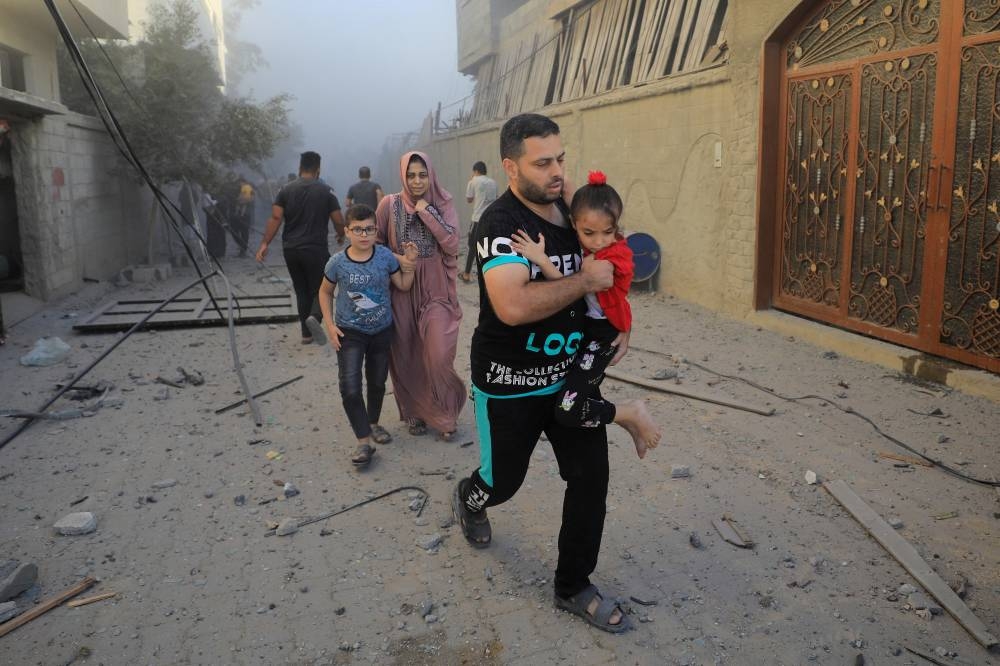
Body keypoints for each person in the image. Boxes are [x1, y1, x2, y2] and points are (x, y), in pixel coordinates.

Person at [451, 113, 660, 635]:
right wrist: (582, 279)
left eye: (560, 159)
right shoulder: (499, 225)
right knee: (502, 483)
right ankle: (469, 497)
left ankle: (573, 585)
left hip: (568, 378)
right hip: (508, 383)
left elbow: (613, 259)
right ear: (510, 166)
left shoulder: (575, 210)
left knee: (591, 479)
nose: (556, 172)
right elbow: (513, 306)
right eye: (542, 162)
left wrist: (620, 321)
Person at [510, 169, 660, 458]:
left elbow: (574, 284)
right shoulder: (585, 242)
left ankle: (631, 413)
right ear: (574, 225)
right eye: (589, 233)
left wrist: (540, 258)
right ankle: (629, 425)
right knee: (583, 396)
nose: (599, 241)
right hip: (586, 332)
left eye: (608, 232)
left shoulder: (609, 259)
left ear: (617, 227)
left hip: (602, 337)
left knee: (568, 409)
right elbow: (577, 201)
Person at [374, 151, 466, 440]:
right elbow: (374, 245)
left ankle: (446, 414)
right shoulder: (389, 204)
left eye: (422, 174)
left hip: (436, 290)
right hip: (401, 289)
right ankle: (414, 411)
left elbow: (451, 245)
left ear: (431, 175)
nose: (416, 181)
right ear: (403, 175)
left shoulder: (443, 202)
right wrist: (400, 260)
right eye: (411, 175)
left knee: (439, 354)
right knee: (407, 353)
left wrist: (427, 211)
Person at [318, 204, 418, 468]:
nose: (364, 234)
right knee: (350, 388)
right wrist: (329, 324)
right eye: (358, 229)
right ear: (347, 231)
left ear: (376, 231)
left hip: (382, 332)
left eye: (370, 229)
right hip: (349, 333)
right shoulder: (337, 262)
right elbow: (325, 292)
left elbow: (404, 286)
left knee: (376, 383)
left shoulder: (385, 257)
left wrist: (411, 262)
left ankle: (373, 423)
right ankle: (363, 441)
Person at [256, 151, 346, 344]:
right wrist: (341, 234)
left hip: (290, 249)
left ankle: (306, 334)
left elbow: (275, 218)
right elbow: (338, 219)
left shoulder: (285, 190)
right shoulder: (326, 191)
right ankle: (315, 316)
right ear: (318, 169)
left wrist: (264, 244)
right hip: (315, 248)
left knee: (301, 290)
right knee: (324, 287)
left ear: (300, 168)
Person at [459, 161, 497, 283]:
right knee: (488, 247)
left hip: (477, 220)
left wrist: (472, 182)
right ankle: (490, 277)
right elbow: (495, 199)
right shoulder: (493, 182)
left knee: (472, 248)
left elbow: (469, 199)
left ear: (475, 171)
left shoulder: (473, 181)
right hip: (491, 219)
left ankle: (466, 274)